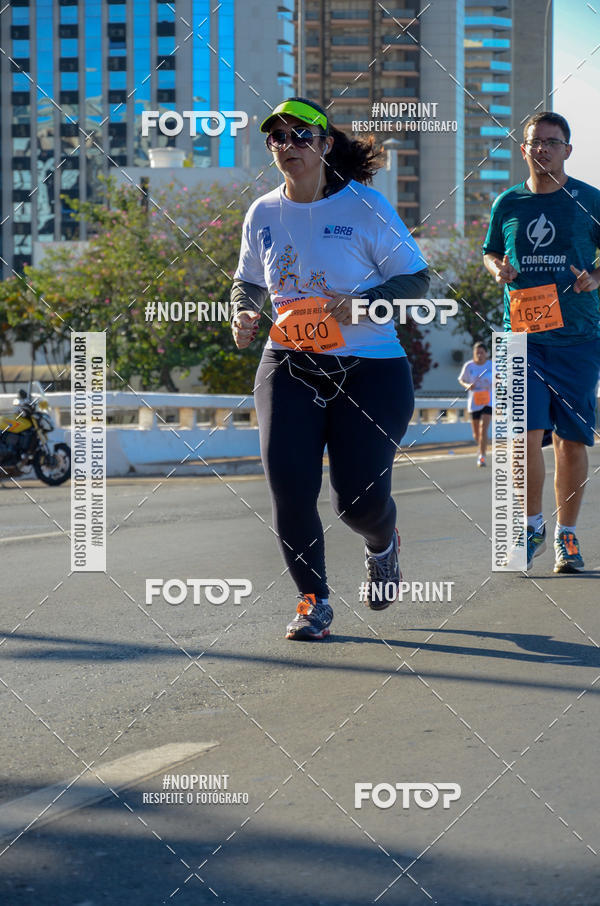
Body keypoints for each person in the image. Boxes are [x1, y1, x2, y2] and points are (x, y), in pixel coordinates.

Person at [230, 97, 430, 639]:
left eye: (300, 135)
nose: (288, 146)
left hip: (370, 368)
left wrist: (359, 304)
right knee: (290, 489)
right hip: (290, 362)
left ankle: (382, 544)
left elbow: (416, 280)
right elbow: (248, 280)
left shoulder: (364, 206)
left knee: (357, 502)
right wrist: (244, 313)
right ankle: (312, 603)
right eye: (277, 137)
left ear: (324, 144)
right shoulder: (263, 212)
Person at [483, 111, 600, 572]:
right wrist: (499, 270)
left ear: (568, 150)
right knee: (521, 437)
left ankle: (567, 535)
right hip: (521, 340)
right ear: (523, 148)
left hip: (578, 338)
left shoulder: (589, 199)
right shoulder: (508, 203)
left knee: (572, 442)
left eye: (553, 142)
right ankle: (531, 523)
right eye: (535, 141)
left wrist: (594, 276)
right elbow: (491, 251)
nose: (543, 148)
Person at [458, 342, 493, 467]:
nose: (479, 354)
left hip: (488, 401)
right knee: (476, 434)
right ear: (474, 353)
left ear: (486, 353)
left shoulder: (491, 365)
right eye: (477, 352)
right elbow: (461, 379)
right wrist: (467, 385)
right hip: (474, 402)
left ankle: (482, 456)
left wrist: (498, 382)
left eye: (482, 352)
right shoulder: (469, 366)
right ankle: (481, 447)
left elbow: (501, 377)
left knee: (483, 428)